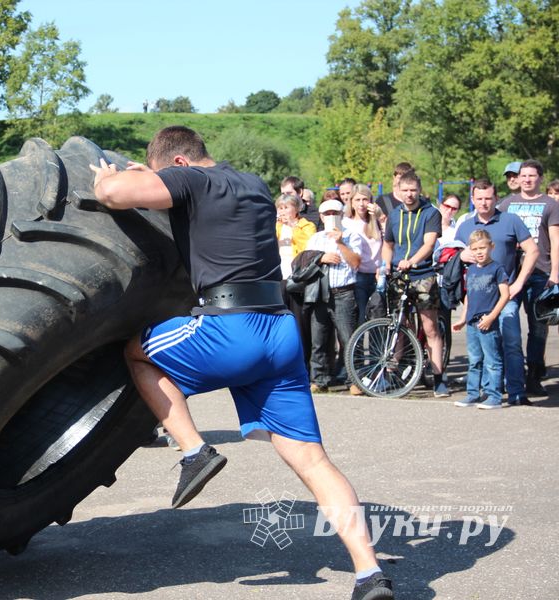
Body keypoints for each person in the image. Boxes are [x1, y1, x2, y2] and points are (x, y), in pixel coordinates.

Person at [90, 126, 393, 600]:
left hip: (231, 328)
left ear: (180, 166)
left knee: (136, 352)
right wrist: (152, 175)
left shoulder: (190, 181)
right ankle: (368, 573)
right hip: (280, 332)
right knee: (314, 462)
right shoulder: (252, 182)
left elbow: (111, 192)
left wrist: (113, 178)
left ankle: (194, 450)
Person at [455, 179, 538, 405]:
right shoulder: (464, 226)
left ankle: (515, 392)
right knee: (479, 351)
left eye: (488, 198)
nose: (484, 203)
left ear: (496, 198)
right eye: (479, 198)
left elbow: (532, 250)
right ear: (472, 199)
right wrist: (460, 255)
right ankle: (483, 391)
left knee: (511, 342)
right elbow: (450, 256)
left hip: (505, 295)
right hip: (479, 298)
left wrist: (519, 282)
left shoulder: (510, 220)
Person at [497, 159, 559, 395]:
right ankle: (512, 376)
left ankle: (534, 376)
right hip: (512, 274)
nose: (526, 179)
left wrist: (555, 274)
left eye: (531, 176)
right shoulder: (506, 204)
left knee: (538, 328)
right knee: (508, 324)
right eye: (523, 175)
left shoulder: (550, 205)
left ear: (540, 178)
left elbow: (556, 242)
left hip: (541, 273)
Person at [382, 170, 448, 397]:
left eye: (413, 190)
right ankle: (392, 373)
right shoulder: (394, 215)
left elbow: (429, 244)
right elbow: (388, 244)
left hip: (423, 275)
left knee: (430, 327)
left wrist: (412, 261)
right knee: (399, 326)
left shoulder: (431, 213)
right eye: (405, 191)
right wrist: (386, 265)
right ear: (398, 191)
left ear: (419, 191)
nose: (409, 195)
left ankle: (438, 376)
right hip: (399, 276)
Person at [305, 199, 364, 395]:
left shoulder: (352, 235)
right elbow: (305, 262)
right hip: (320, 292)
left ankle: (354, 380)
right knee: (319, 338)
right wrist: (320, 258)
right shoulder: (316, 238)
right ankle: (319, 379)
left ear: (342, 215)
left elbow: (356, 263)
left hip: (344, 292)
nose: (331, 217)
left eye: (335, 213)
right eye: (327, 213)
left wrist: (340, 243)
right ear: (321, 216)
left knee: (348, 338)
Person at [452, 230, 510, 409]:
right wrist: (463, 318)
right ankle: (472, 394)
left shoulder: (497, 269)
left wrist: (492, 316)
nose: (479, 252)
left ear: (491, 247)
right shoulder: (471, 270)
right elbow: (469, 295)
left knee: (492, 360)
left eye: (482, 248)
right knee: (474, 360)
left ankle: (494, 396)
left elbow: (505, 295)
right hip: (472, 322)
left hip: (487, 322)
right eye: (475, 248)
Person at [276, 193, 316, 365]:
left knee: (300, 323)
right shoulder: (276, 226)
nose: (283, 211)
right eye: (280, 208)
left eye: (286, 207)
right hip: (279, 278)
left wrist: (293, 228)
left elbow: (308, 248)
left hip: (298, 279)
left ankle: (303, 364)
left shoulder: (306, 226)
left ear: (297, 208)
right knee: (280, 323)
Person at [343, 184, 384, 323]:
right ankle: (359, 345)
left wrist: (381, 218)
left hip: (377, 275)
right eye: (357, 200)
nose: (361, 204)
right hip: (358, 275)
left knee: (377, 318)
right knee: (360, 318)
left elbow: (388, 243)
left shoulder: (376, 221)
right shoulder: (346, 223)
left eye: (365, 200)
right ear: (351, 202)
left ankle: (375, 345)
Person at [548, 179, 559, 364]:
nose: (552, 197)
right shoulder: (547, 212)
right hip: (548, 265)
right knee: (546, 312)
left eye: (556, 193)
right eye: (549, 193)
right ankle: (540, 359)